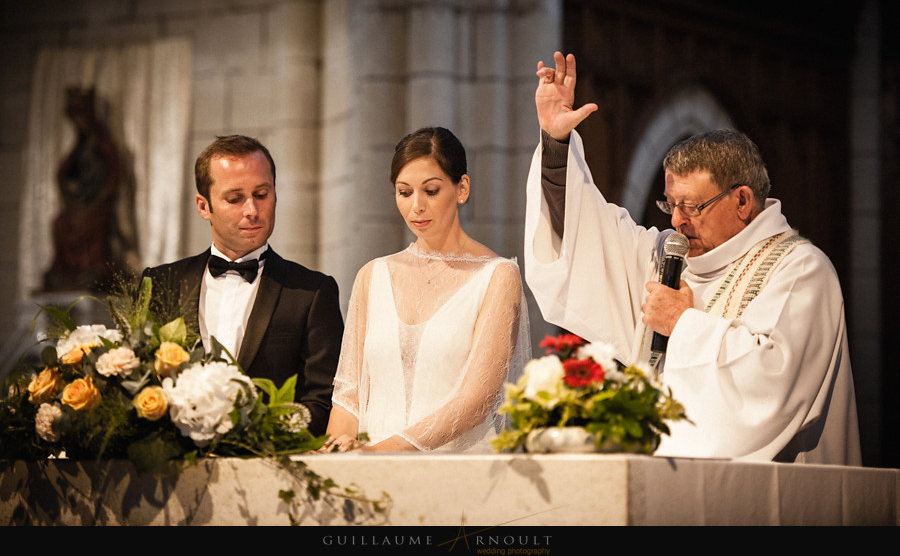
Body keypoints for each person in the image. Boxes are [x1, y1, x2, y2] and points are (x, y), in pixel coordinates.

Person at [524, 52, 861, 465]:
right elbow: (584, 233)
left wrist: (682, 324)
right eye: (670, 205)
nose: (678, 222)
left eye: (693, 207)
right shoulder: (668, 257)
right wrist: (556, 144)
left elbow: (770, 384)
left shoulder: (801, 271)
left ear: (742, 200)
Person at [322, 127, 530, 453]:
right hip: (369, 473)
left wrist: (382, 452)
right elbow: (349, 395)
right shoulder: (372, 276)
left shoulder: (498, 276)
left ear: (462, 188)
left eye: (431, 191)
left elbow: (475, 401)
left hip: (455, 469)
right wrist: (333, 457)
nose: (416, 206)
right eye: (405, 193)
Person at [141, 135, 343, 436]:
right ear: (203, 206)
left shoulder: (312, 292)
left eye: (261, 194)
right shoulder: (159, 284)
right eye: (235, 199)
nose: (252, 210)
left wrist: (256, 437)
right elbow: (139, 384)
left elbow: (323, 400)